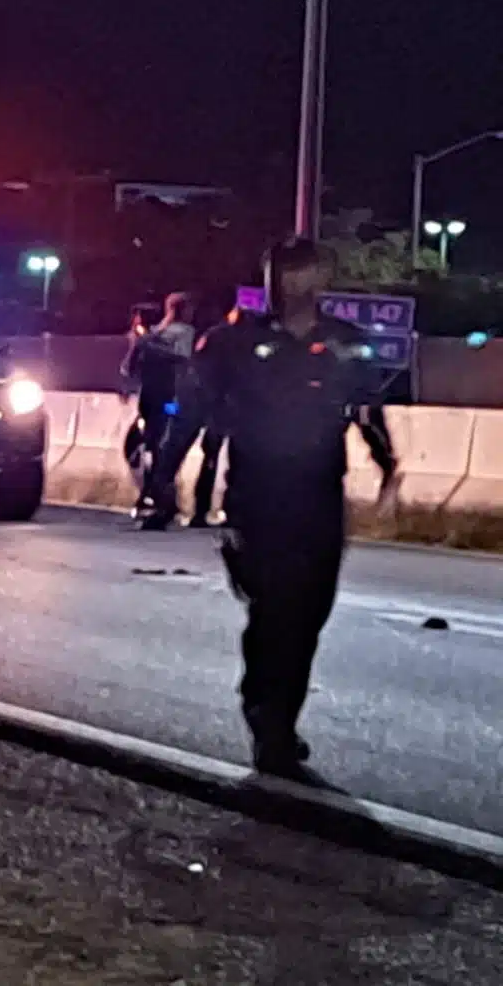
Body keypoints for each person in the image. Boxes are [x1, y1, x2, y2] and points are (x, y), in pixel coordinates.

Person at [142, 238, 399, 776]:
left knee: (309, 613)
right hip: (256, 496)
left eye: (305, 273)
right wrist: (164, 477)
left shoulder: (344, 343)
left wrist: (386, 464)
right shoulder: (231, 344)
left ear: (322, 277)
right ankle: (266, 716)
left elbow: (367, 408)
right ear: (269, 279)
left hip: (319, 494)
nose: (295, 284)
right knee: (273, 608)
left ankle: (283, 715)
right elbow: (190, 412)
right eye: (284, 273)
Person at [120, 292, 196, 515]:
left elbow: (126, 369)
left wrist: (144, 344)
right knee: (163, 443)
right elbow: (184, 359)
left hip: (151, 399)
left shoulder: (153, 336)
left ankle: (153, 494)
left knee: (152, 445)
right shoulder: (183, 333)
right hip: (170, 399)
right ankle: (159, 495)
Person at [184, 302, 246, 528]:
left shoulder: (215, 335)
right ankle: (230, 512)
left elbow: (198, 368)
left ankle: (202, 511)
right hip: (235, 406)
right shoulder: (248, 338)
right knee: (237, 462)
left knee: (212, 459)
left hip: (220, 405)